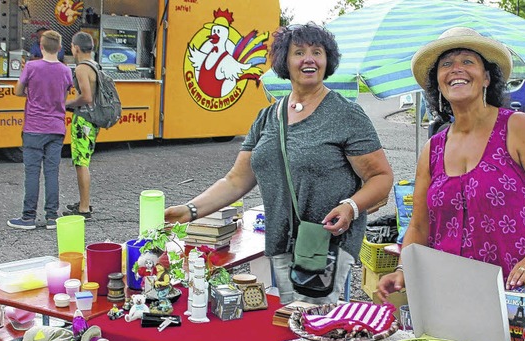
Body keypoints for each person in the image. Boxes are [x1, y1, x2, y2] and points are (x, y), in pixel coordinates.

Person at [165, 23, 393, 304]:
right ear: (285, 61)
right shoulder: (267, 117)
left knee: (313, 326)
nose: (309, 59)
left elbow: (381, 178)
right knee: (282, 321)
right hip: (279, 243)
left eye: (317, 52)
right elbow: (236, 180)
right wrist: (189, 211)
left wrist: (351, 207)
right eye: (299, 52)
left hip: (325, 244)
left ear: (327, 60)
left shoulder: (346, 115)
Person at [377, 27, 525, 314]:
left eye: (468, 61)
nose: (457, 69)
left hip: (524, 295)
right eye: (446, 64)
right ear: (438, 83)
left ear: (487, 77)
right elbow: (418, 226)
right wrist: (404, 268)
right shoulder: (433, 149)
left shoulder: (516, 127)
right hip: (455, 297)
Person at [7, 30, 73, 230]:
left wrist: (31, 92)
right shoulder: (66, 70)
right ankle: (52, 216)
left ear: (41, 47)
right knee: (52, 172)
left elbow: (18, 91)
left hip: (34, 128)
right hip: (56, 127)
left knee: (32, 173)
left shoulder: (32, 66)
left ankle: (28, 217)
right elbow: (65, 92)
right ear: (60, 48)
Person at [62, 31, 100, 220]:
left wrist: (67, 104)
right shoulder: (95, 65)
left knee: (81, 163)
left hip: (83, 119)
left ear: (76, 48)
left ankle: (84, 207)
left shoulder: (81, 68)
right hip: (93, 120)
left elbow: (86, 97)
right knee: (83, 161)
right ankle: (83, 202)